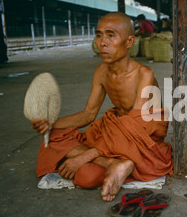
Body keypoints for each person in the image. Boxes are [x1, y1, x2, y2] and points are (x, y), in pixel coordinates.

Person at [30, 12, 173, 202]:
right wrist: (52, 123)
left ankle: (114, 161)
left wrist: (84, 156)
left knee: (85, 175)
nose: (102, 43)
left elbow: (134, 126)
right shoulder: (101, 71)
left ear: (129, 42)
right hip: (115, 133)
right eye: (99, 35)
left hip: (140, 139)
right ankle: (114, 163)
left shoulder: (143, 74)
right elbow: (88, 114)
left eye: (111, 35)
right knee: (54, 136)